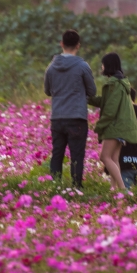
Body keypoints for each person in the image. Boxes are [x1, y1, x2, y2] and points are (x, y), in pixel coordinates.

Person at [44, 29, 96, 189]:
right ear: (78, 46)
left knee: (57, 153)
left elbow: (47, 91)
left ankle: (55, 186)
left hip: (57, 117)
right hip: (76, 117)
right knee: (77, 155)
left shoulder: (51, 68)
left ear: (62, 44)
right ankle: (76, 187)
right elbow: (92, 91)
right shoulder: (82, 66)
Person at [89, 52, 137, 191]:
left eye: (103, 63)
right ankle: (114, 188)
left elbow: (110, 110)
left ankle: (123, 189)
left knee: (104, 157)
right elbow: (105, 102)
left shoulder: (114, 84)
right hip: (121, 126)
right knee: (114, 157)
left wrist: (99, 126)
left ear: (108, 65)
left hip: (115, 126)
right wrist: (87, 98)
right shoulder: (121, 82)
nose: (101, 66)